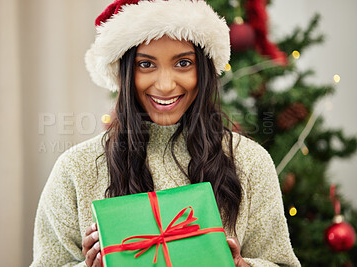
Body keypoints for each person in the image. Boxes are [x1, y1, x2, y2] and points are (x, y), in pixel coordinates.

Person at [31, 0, 301, 266]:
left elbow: (280, 262)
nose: (165, 84)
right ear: (125, 72)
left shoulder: (250, 161)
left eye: (183, 63)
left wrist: (243, 266)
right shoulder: (76, 168)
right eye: (146, 65)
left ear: (204, 69)